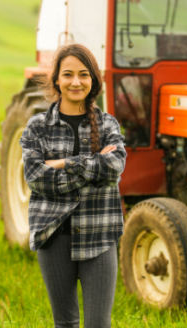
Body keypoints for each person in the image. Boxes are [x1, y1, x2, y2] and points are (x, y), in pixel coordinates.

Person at [19, 44, 127, 328]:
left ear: (93, 80)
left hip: (100, 235)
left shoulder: (107, 125)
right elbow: (36, 178)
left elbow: (114, 168)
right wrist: (91, 164)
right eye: (68, 74)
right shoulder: (37, 127)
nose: (75, 82)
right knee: (65, 323)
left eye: (83, 74)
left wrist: (60, 163)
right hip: (53, 235)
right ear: (56, 79)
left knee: (97, 324)